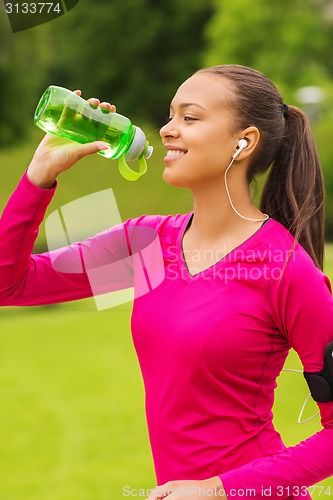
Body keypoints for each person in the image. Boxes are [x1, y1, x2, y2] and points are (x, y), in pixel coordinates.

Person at [1, 64, 333, 499]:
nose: (166, 130)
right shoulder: (146, 243)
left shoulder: (286, 269)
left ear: (244, 141)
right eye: (170, 116)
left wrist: (216, 489)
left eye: (189, 118)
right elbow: (12, 284)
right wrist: (39, 175)